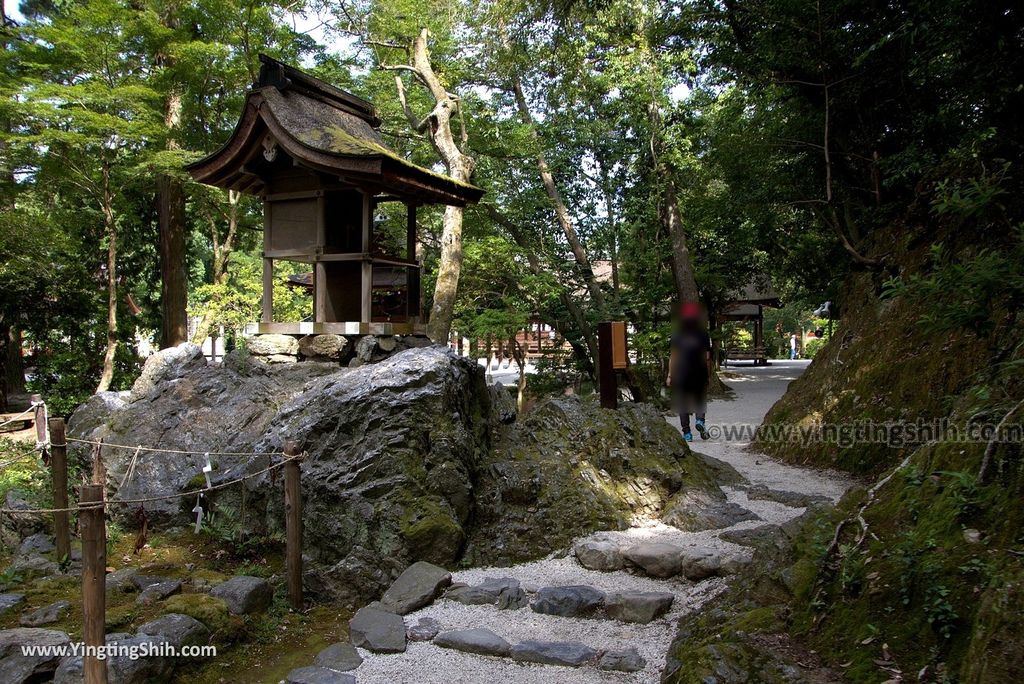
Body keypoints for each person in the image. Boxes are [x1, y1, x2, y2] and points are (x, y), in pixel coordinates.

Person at [667, 301, 712, 442]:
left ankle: (687, 433)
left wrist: (669, 375)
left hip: (682, 372)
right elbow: (707, 357)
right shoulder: (703, 335)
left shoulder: (677, 335)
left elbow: (673, 357)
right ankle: (700, 421)